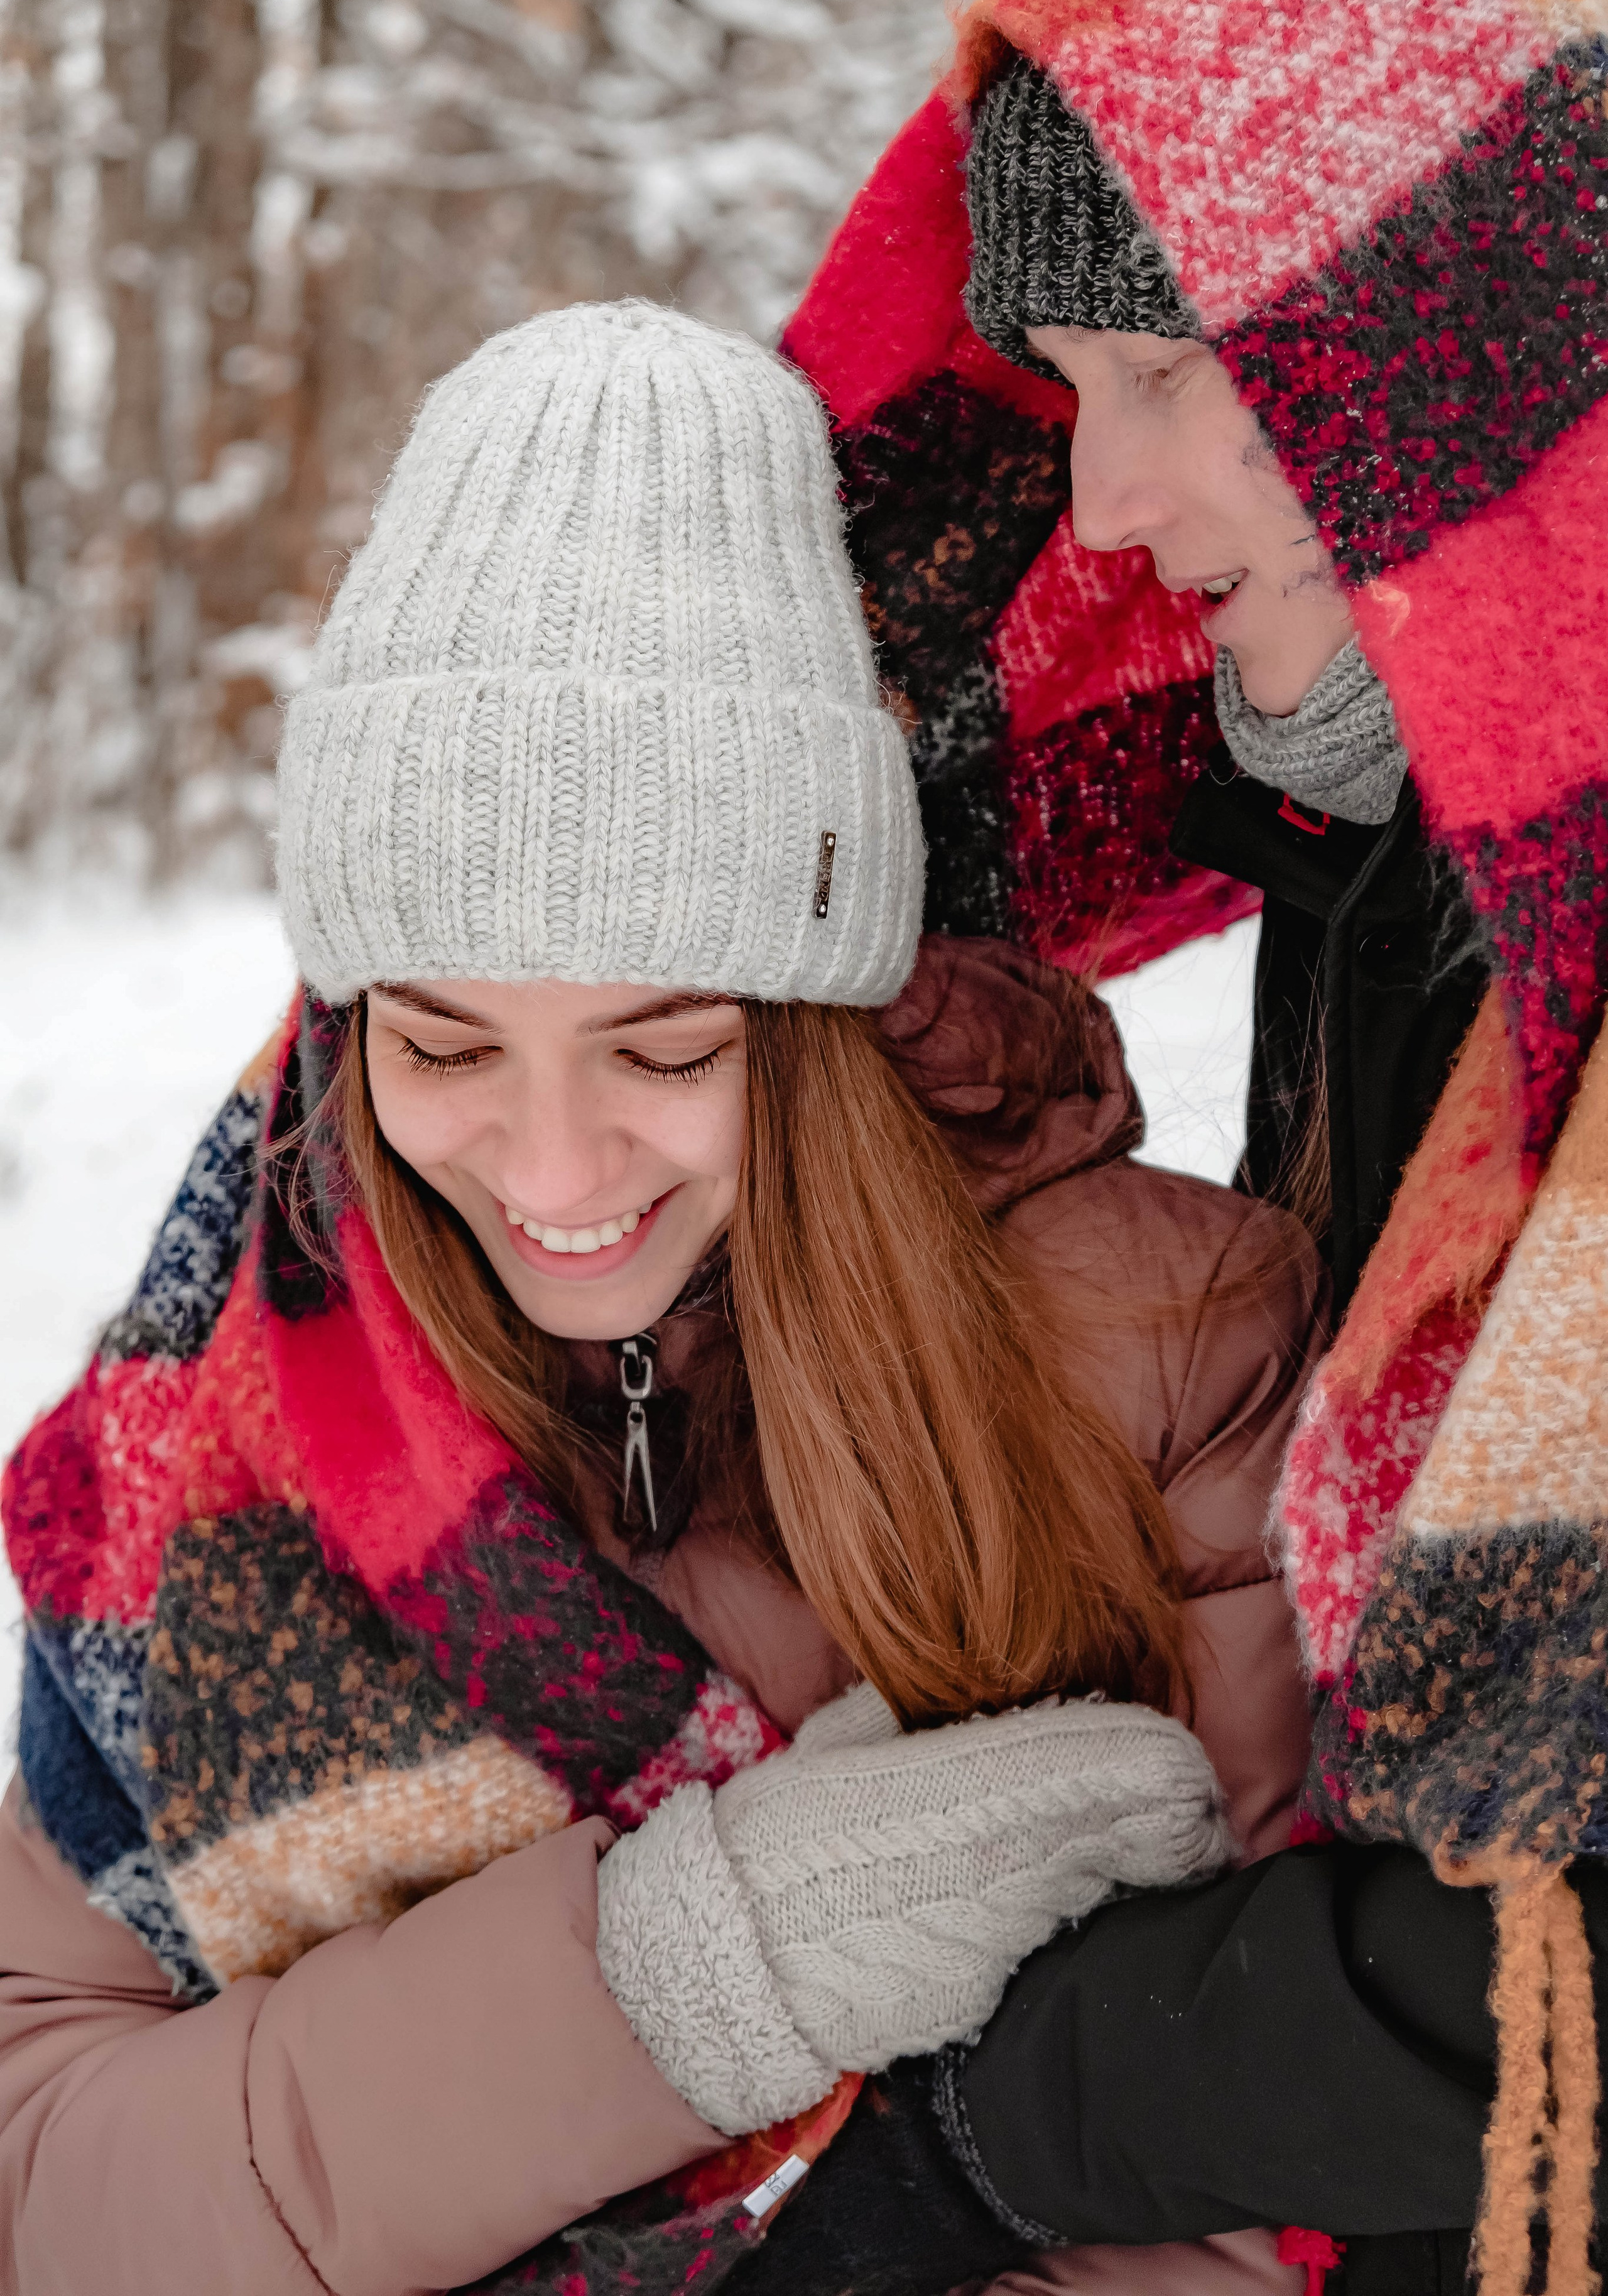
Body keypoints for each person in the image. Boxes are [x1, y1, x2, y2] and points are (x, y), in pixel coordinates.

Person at [0, 302, 1324, 2296]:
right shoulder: (224, 1400)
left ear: (811, 1025)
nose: (550, 1174)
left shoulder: (1164, 1346)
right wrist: (677, 1987)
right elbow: (50, 2178)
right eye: (449, 1051)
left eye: (663, 1051)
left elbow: (1257, 2192)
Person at [749, 0, 1608, 2288]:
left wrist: (1032, 2101)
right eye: (1063, 382)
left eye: (1157, 372)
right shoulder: (1413, 834)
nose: (1099, 505)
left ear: (1441, 353)